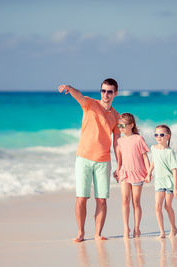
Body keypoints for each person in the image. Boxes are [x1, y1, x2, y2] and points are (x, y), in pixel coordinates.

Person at [58, 78, 120, 242]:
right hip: (84, 158)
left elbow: (117, 142)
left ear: (115, 93)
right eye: (103, 91)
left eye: (109, 91)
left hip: (103, 161)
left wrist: (120, 165)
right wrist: (70, 88)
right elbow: (79, 96)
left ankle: (98, 233)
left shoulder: (116, 116)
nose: (106, 94)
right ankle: (81, 232)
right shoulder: (90, 104)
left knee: (102, 200)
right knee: (81, 198)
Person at [114, 113, 151, 239]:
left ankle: (136, 228)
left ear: (131, 125)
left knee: (136, 202)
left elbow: (145, 157)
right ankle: (126, 227)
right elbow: (120, 159)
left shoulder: (138, 139)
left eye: (123, 125)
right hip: (125, 173)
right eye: (119, 125)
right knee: (124, 200)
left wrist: (149, 173)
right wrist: (118, 170)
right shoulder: (120, 140)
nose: (121, 128)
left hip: (138, 173)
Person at [148, 124, 177, 238]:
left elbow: (175, 170)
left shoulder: (170, 152)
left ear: (168, 136)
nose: (158, 137)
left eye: (161, 134)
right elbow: (153, 161)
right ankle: (162, 232)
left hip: (170, 182)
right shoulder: (153, 148)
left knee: (167, 206)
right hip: (159, 182)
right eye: (156, 134)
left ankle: (173, 228)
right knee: (157, 206)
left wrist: (175, 187)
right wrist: (149, 173)